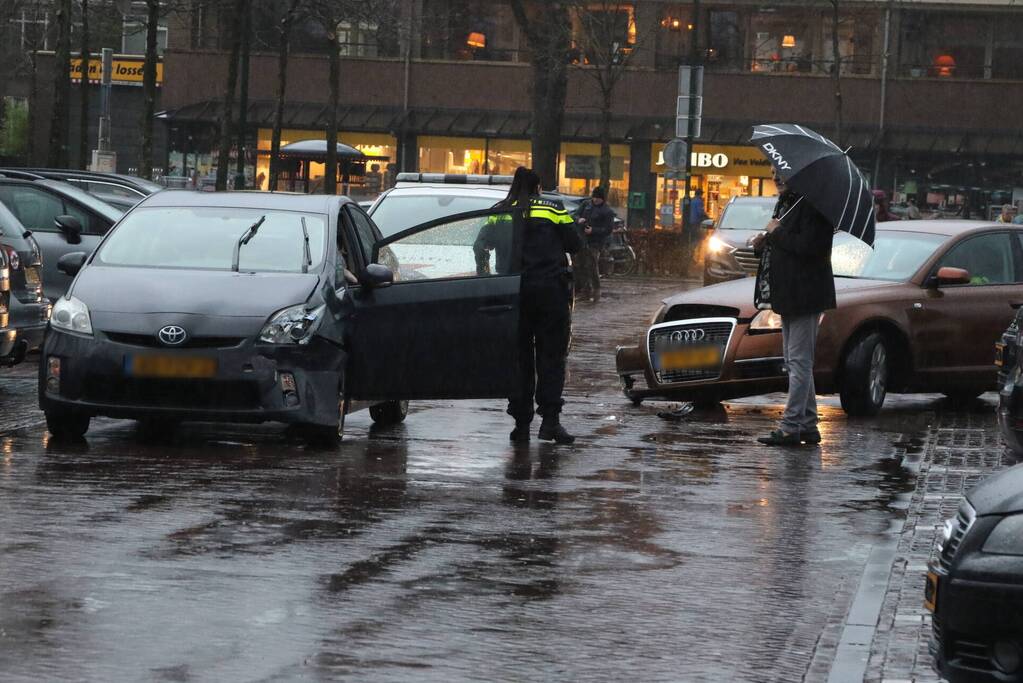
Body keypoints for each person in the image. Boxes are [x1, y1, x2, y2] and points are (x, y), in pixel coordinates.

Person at [495, 167, 582, 444]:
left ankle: (521, 426)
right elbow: (575, 243)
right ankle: (550, 423)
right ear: (538, 187)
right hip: (549, 293)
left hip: (513, 294)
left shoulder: (501, 209)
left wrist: (487, 275)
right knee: (551, 357)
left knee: (519, 359)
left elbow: (480, 244)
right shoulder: (553, 207)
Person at [751, 172, 836, 446]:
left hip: (805, 293)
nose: (776, 177)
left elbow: (811, 247)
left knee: (799, 363)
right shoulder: (789, 203)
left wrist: (778, 233)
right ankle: (808, 425)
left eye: (783, 174)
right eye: (774, 172)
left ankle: (790, 427)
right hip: (788, 293)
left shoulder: (815, 205)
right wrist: (765, 240)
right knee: (796, 362)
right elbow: (784, 242)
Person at [573, 186, 616, 302]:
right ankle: (585, 291)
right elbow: (574, 215)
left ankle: (596, 291)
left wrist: (594, 231)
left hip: (595, 243)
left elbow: (608, 229)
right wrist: (578, 220)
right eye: (594, 197)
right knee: (580, 265)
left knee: (591, 266)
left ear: (603, 199)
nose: (595, 200)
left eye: (598, 198)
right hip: (582, 240)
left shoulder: (607, 211)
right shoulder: (586, 205)